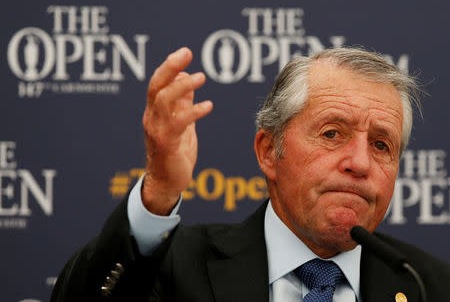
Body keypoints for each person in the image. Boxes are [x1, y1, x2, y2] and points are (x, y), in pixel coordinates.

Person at [51, 47, 450, 302]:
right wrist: (158, 190)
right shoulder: (174, 268)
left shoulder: (428, 285)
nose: (360, 163)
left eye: (381, 145)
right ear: (268, 152)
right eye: (333, 134)